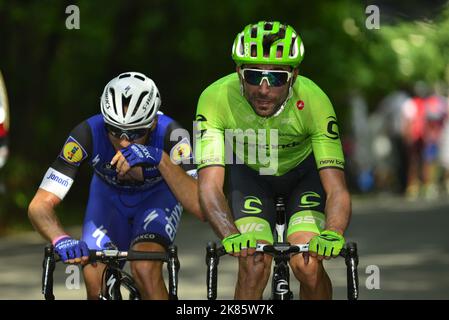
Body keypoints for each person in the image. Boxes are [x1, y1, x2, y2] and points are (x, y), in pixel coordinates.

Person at [195, 21, 351, 300]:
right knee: (253, 264)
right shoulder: (214, 98)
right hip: (251, 178)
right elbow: (208, 185)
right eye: (254, 76)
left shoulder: (315, 100)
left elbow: (336, 188)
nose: (264, 89)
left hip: (303, 177)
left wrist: (333, 232)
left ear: (294, 75)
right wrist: (230, 234)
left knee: (307, 264)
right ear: (238, 73)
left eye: (277, 78)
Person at [28, 72, 205, 300]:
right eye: (114, 130)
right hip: (108, 199)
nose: (123, 142)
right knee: (95, 279)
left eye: (135, 133)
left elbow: (202, 206)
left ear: (152, 123)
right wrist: (61, 238)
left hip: (157, 198)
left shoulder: (173, 134)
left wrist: (161, 159)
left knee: (144, 268)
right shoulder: (86, 133)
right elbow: (38, 205)